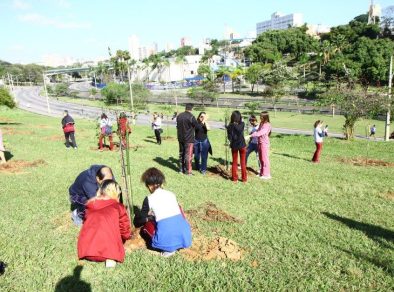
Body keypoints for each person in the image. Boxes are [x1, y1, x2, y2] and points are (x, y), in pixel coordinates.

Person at [135, 167, 192, 257]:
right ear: (161, 183)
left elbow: (139, 221)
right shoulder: (171, 194)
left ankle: (168, 249)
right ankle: (177, 243)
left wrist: (149, 218)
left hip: (166, 240)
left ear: (149, 186)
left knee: (146, 226)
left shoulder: (149, 198)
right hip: (186, 237)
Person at [77, 179, 131, 267]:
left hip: (87, 250)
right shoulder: (118, 207)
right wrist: (126, 237)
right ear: (116, 193)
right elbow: (124, 229)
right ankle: (110, 258)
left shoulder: (90, 205)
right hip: (108, 252)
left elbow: (85, 222)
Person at [247, 111, 272, 180]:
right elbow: (257, 131)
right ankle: (261, 173)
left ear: (265, 117)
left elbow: (261, 132)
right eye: (260, 116)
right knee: (260, 158)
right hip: (259, 142)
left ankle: (267, 174)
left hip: (264, 143)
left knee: (264, 159)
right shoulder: (261, 123)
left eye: (261, 116)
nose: (260, 117)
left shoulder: (267, 125)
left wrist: (250, 135)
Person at [176, 104, 198, 175]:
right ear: (191, 109)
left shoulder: (179, 116)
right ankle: (188, 172)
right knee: (188, 155)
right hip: (189, 139)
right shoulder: (191, 117)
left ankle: (181, 170)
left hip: (180, 138)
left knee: (181, 154)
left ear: (185, 108)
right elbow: (197, 126)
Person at [227, 111, 247, 183]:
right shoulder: (242, 124)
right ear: (240, 117)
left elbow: (229, 137)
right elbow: (239, 129)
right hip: (242, 145)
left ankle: (235, 179)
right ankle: (244, 179)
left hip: (234, 146)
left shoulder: (230, 126)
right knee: (243, 163)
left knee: (234, 162)